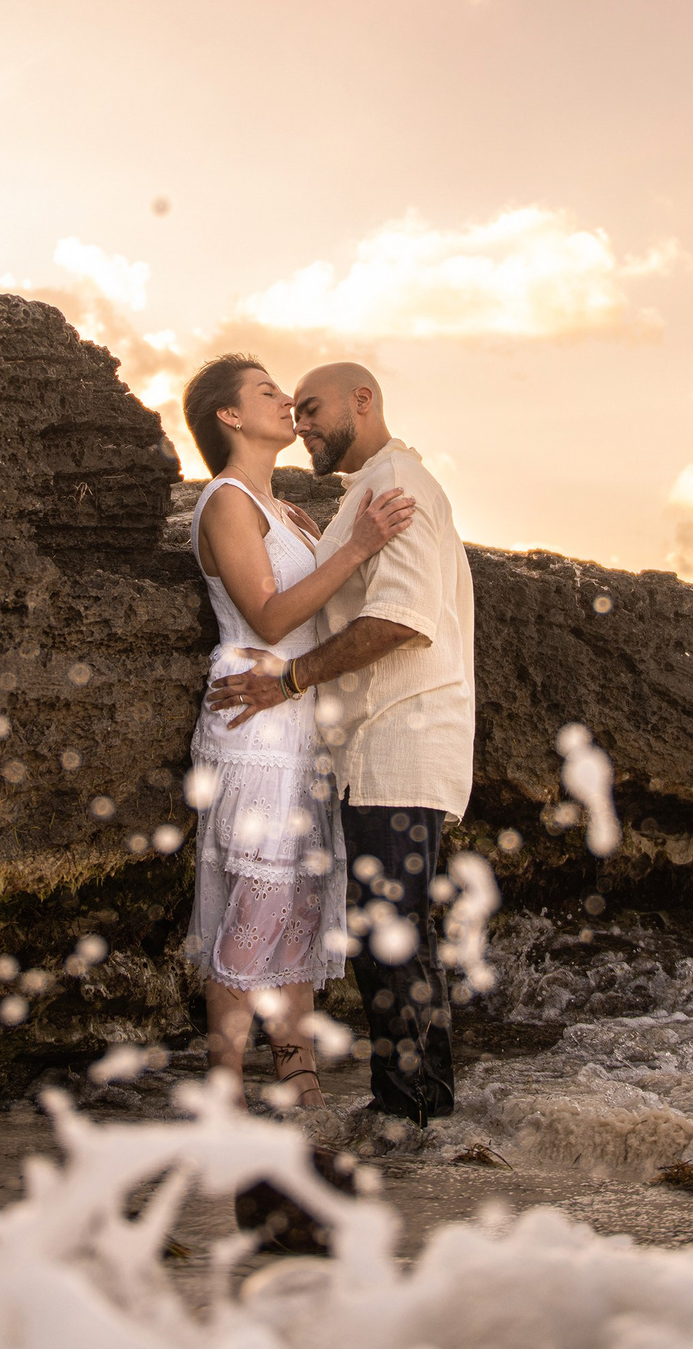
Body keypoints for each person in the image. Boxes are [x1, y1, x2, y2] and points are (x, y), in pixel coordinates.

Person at [207, 363, 474, 1126]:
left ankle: (408, 1113)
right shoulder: (360, 495)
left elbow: (400, 620)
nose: (303, 421)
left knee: (391, 930)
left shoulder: (400, 487)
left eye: (315, 408)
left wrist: (290, 679)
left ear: (365, 400)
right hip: (375, 743)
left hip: (402, 737)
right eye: (294, 408)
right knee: (396, 928)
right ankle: (423, 1110)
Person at [180, 353, 415, 1109]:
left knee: (304, 900)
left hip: (300, 722)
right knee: (258, 900)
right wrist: (355, 548)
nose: (288, 403)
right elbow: (273, 616)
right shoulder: (226, 501)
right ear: (229, 417)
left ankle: (296, 1070)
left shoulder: (288, 511)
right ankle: (223, 1085)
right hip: (254, 723)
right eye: (268, 392)